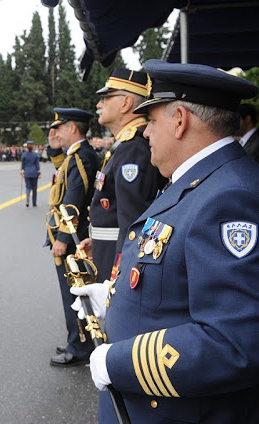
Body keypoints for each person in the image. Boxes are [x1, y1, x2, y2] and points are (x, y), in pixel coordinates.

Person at [70, 60, 259, 424]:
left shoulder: (232, 198)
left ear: (179, 120)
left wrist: (117, 362)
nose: (144, 133)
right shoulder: (202, 181)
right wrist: (113, 298)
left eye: (151, 121)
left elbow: (233, 343)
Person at [78, 68, 168, 282]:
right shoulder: (125, 145)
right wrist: (98, 241)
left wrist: (120, 274)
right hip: (108, 252)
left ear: (126, 103)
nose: (99, 105)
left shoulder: (132, 148)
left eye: (106, 98)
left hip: (117, 264)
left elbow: (133, 224)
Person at [45, 108, 100, 367]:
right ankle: (76, 339)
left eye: (60, 127)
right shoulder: (76, 154)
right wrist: (53, 145)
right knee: (74, 292)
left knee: (74, 294)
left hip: (74, 238)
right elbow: (60, 168)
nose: (56, 131)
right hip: (73, 235)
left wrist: (63, 237)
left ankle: (79, 347)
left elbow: (73, 200)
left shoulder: (82, 156)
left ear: (73, 128)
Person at [20, 141, 40, 207]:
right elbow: (37, 165)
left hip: (27, 172)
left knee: (28, 187)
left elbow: (23, 165)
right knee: (34, 188)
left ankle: (28, 198)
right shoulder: (35, 155)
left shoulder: (24, 155)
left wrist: (22, 171)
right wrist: (39, 172)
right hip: (34, 172)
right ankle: (34, 202)